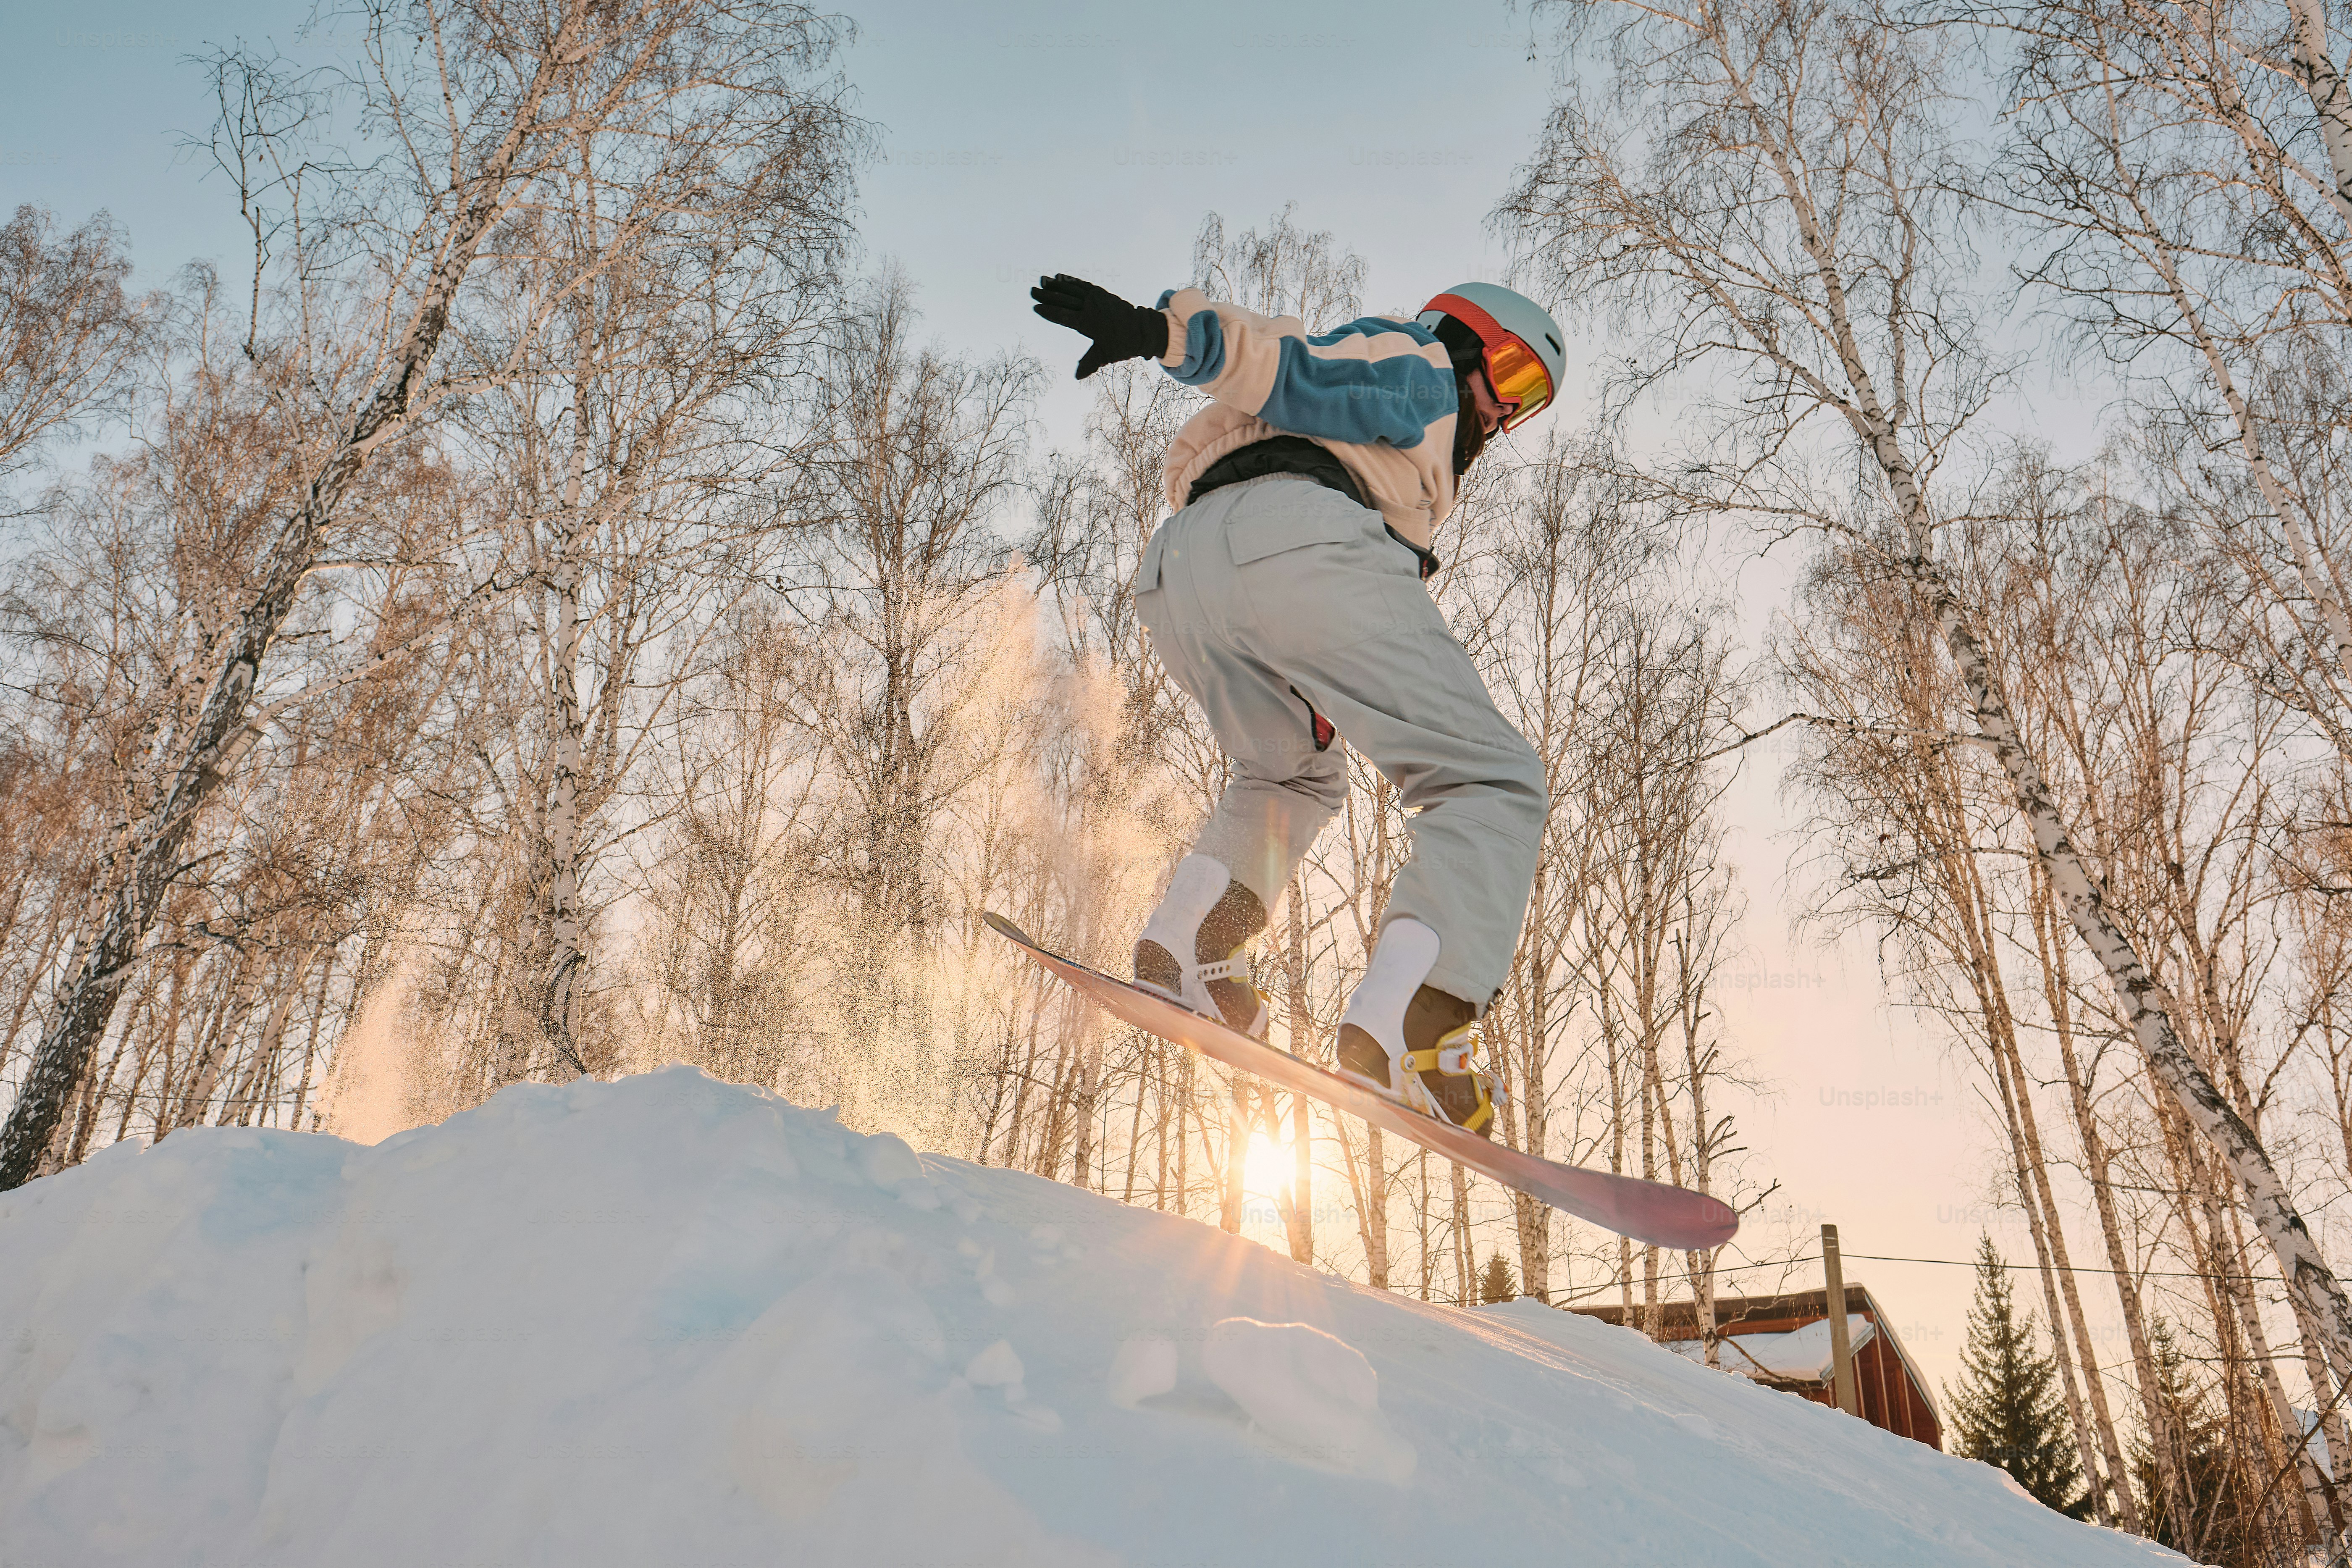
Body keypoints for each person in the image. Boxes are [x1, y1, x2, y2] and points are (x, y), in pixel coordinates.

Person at [1029, 272, 1565, 1138]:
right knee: (1489, 780)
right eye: (1510, 373)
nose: (1506, 413)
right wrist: (1166, 334)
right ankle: (1416, 1023)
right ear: (1462, 335)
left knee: (1290, 774)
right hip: (1297, 540)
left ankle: (1194, 947)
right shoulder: (1419, 366)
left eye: (1530, 401)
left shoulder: (1390, 446)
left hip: (1183, 570)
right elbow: (1296, 366)